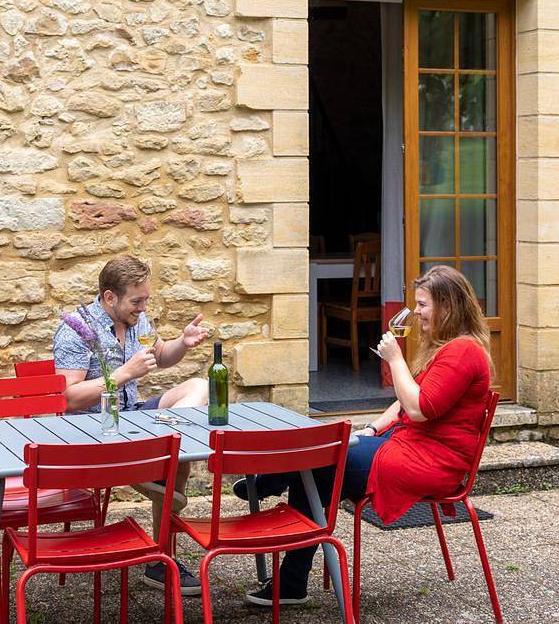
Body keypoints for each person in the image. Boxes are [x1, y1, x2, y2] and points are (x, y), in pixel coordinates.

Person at [233, 265, 493, 606]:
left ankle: (271, 485)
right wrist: (371, 428)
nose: (416, 312)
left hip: (430, 462)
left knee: (320, 459)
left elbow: (418, 408)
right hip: (406, 445)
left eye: (422, 304)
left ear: (447, 306)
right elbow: (403, 404)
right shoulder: (449, 348)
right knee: (320, 464)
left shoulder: (463, 352)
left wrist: (395, 359)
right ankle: (289, 571)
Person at [53, 254, 209, 596]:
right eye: (137, 301)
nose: (143, 308)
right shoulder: (76, 329)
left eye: (146, 300)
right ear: (110, 297)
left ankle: (158, 457)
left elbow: (161, 356)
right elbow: (68, 398)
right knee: (176, 462)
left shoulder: (137, 320)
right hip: (92, 431)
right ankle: (161, 556)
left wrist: (182, 344)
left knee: (199, 387)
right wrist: (124, 374)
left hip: (135, 420)